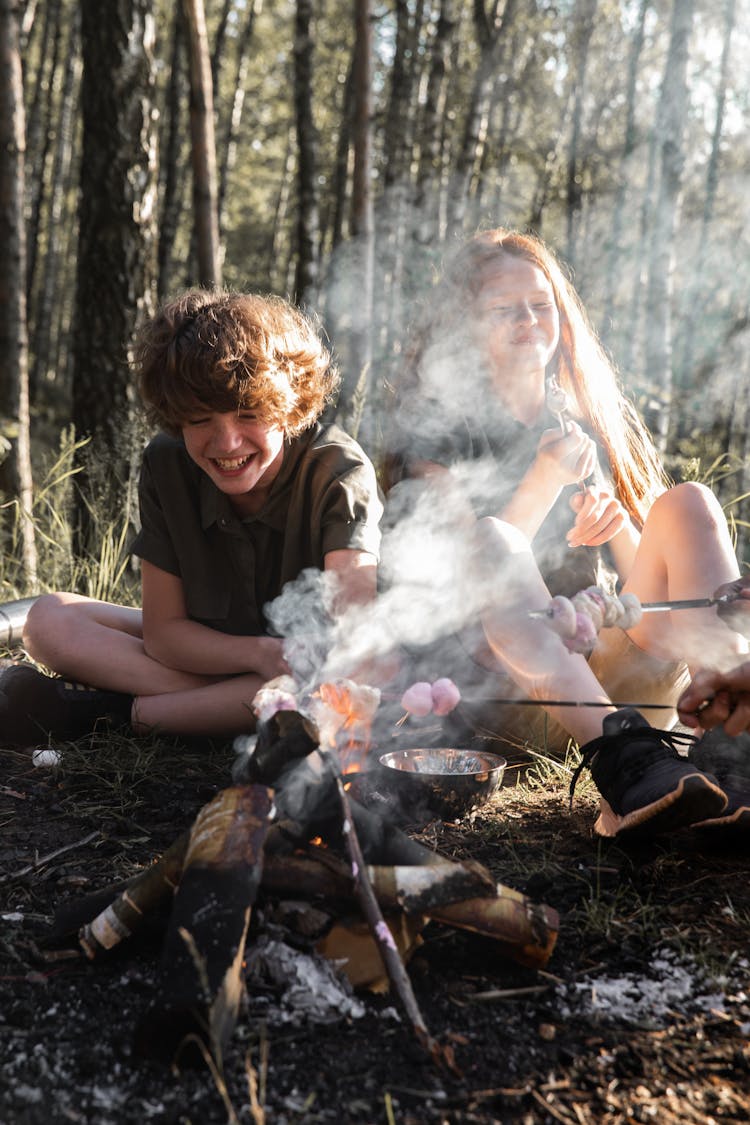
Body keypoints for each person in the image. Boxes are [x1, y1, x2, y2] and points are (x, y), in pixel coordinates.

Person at [384, 227, 748, 838]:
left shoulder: (579, 416)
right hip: (514, 697)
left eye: (541, 304)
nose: (529, 320)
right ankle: (623, 770)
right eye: (504, 309)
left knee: (688, 503)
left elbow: (642, 601)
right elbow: (456, 594)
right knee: (496, 540)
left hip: (624, 681)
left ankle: (734, 738)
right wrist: (543, 482)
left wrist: (618, 529)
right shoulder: (436, 435)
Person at [2, 289, 382, 747]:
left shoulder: (339, 472)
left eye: (248, 414)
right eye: (200, 419)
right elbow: (165, 636)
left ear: (291, 408)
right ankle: (225, 709)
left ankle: (110, 714)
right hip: (226, 655)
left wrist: (295, 663)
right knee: (47, 620)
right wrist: (262, 654)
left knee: (328, 686)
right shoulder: (168, 461)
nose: (226, 443)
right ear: (174, 416)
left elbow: (353, 645)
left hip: (304, 667)